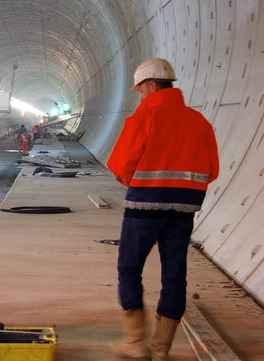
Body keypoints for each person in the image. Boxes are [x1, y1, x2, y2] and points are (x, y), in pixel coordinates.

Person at [106, 58, 219, 360]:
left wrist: (138, 178)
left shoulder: (143, 118)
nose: (140, 96)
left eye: (141, 90)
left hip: (143, 208)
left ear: (152, 86)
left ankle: (135, 342)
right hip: (183, 211)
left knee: (129, 269)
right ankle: (161, 349)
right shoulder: (199, 122)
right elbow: (212, 170)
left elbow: (119, 166)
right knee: (174, 276)